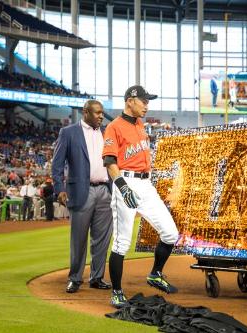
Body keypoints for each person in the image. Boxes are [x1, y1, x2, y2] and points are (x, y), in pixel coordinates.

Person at [102, 85, 179, 308]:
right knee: (122, 242)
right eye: (143, 101)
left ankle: (155, 274)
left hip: (146, 184)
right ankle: (116, 291)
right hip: (125, 182)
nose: (147, 105)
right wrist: (124, 188)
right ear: (130, 101)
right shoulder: (114, 127)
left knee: (170, 233)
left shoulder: (140, 124)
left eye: (148, 101)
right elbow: (109, 163)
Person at [52, 100, 113, 294]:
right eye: (97, 113)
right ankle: (75, 278)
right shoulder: (68, 132)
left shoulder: (106, 134)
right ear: (85, 112)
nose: (101, 116)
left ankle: (97, 277)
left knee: (102, 238)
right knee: (78, 238)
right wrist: (60, 188)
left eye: (102, 113)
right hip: (80, 191)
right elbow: (57, 164)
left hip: (105, 190)